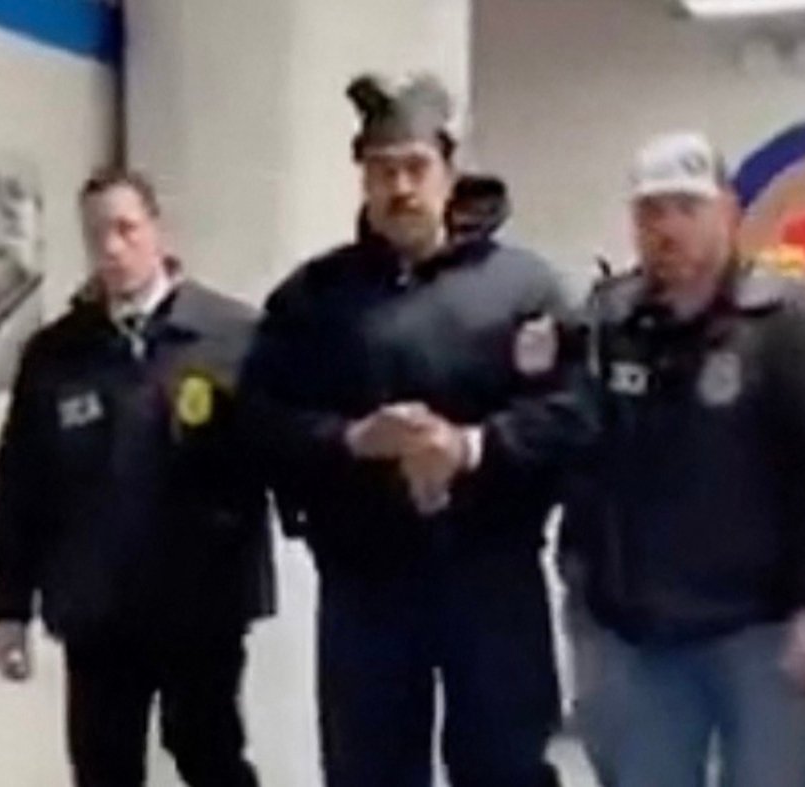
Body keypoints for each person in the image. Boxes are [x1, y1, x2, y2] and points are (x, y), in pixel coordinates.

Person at [242, 72, 590, 787]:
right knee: (368, 771)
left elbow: (573, 412)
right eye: (381, 171)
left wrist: (470, 447)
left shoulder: (524, 289)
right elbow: (259, 421)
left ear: (450, 172)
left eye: (415, 167)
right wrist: (350, 439)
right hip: (365, 586)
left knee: (505, 769)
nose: (399, 187)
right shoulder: (313, 301)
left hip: (492, 576)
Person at [564, 132, 805, 787]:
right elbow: (582, 456)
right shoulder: (608, 322)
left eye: (686, 208)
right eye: (650, 212)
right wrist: (583, 589)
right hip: (639, 630)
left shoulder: (792, 319)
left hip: (760, 629)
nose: (667, 229)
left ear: (728, 211)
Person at [0, 168, 273, 787]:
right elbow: (21, 482)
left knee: (209, 756)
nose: (111, 248)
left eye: (126, 229)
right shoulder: (57, 353)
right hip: (97, 606)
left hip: (201, 599)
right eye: (96, 235)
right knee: (102, 768)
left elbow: (284, 450)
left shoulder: (233, 336)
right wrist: (8, 603)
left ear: (158, 230)